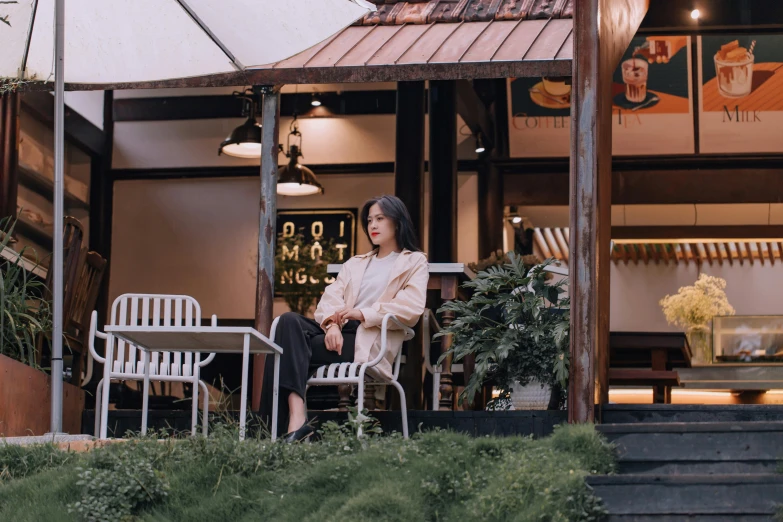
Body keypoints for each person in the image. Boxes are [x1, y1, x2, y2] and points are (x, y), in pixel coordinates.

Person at [260, 195, 429, 442]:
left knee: (284, 349)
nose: (373, 225)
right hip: (339, 333)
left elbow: (410, 308)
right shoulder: (356, 263)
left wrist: (363, 313)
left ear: (398, 222)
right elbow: (330, 298)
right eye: (370, 220)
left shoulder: (414, 261)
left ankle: (276, 430)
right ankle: (297, 416)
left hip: (369, 338)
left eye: (380, 219)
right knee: (288, 321)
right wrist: (331, 326)